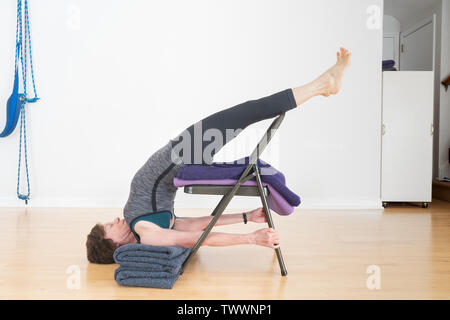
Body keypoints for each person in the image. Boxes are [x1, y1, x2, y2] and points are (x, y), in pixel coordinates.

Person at [86, 47, 352, 264]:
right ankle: (323, 85)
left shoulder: (141, 225)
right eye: (110, 225)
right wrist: (251, 235)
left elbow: (198, 226)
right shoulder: (148, 234)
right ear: (115, 243)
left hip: (180, 154)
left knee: (247, 113)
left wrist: (248, 220)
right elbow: (198, 236)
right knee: (249, 112)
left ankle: (323, 85)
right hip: (183, 155)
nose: (116, 219)